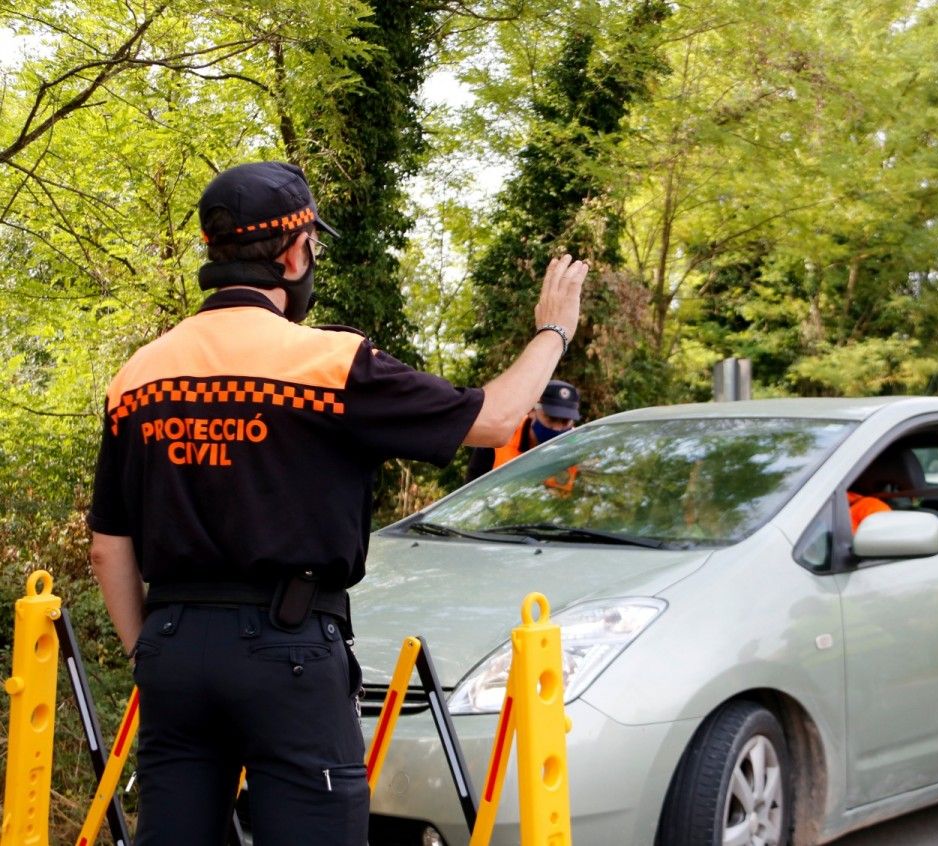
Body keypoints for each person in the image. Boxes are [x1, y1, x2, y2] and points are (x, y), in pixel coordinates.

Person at [86, 160, 588, 846]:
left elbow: (108, 545)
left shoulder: (138, 376)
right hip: (287, 647)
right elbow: (497, 419)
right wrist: (552, 331)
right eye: (312, 248)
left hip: (175, 647)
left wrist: (151, 650)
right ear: (293, 253)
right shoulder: (328, 365)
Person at [464, 378, 581, 483]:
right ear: (531, 411)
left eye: (565, 422)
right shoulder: (498, 439)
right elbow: (471, 493)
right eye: (551, 418)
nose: (557, 428)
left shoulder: (581, 449)